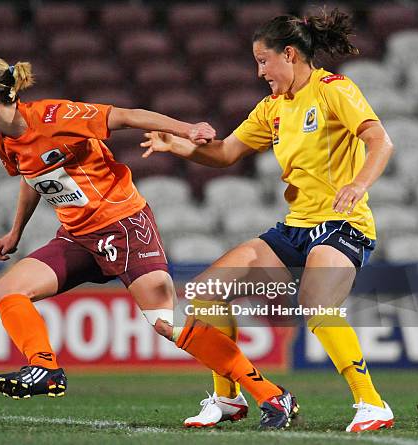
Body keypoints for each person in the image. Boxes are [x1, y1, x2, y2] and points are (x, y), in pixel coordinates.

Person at [0, 55, 298, 429]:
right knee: (6, 292)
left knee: (165, 323)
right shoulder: (3, 140)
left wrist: (188, 129)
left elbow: (127, 115)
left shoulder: (55, 117)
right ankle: (44, 367)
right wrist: (16, 232)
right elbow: (31, 175)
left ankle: (271, 395)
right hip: (76, 237)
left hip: (122, 225)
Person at [141, 9, 395, 432]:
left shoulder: (335, 89)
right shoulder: (272, 108)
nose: (259, 71)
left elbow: (379, 141)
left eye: (263, 60)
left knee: (317, 304)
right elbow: (224, 154)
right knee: (205, 294)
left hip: (342, 225)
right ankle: (228, 399)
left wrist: (358, 185)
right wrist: (182, 148)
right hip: (294, 229)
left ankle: (372, 405)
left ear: (290, 55)